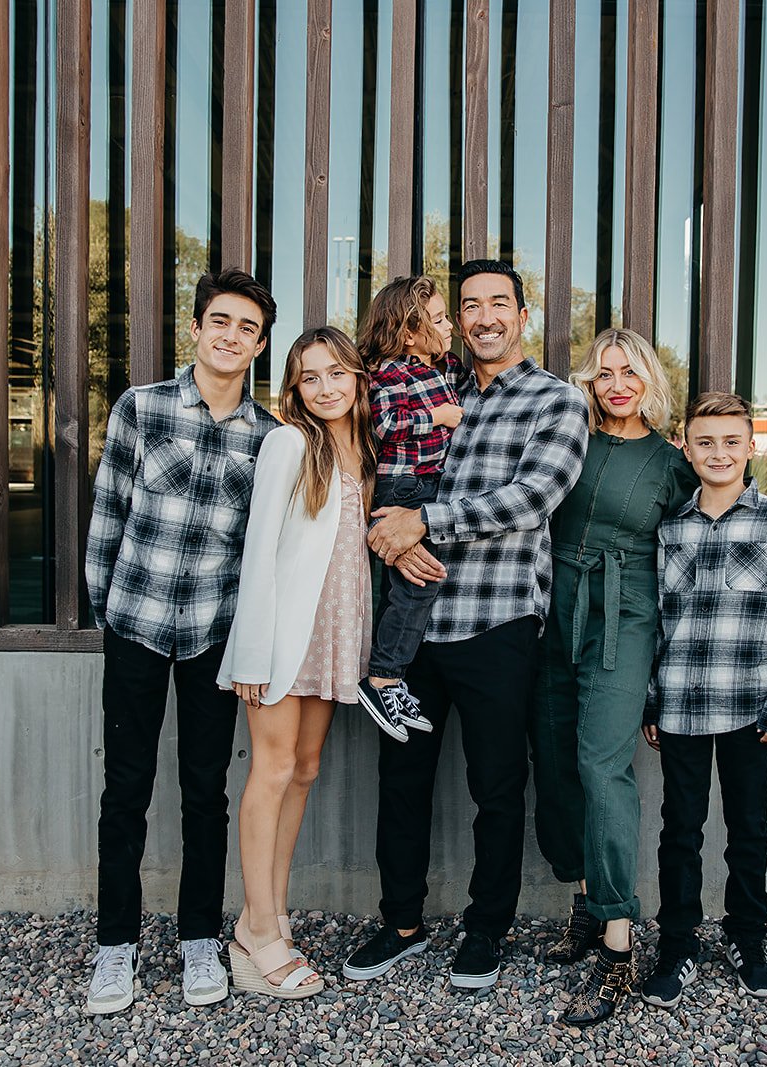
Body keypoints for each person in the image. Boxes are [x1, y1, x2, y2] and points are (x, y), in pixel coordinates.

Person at [341, 259, 589, 991]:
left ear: (522, 313)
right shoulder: (434, 385)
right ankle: (402, 921)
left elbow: (530, 497)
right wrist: (392, 529)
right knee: (401, 779)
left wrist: (423, 523)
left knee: (497, 785)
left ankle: (486, 929)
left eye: (497, 303)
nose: (482, 317)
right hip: (412, 629)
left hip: (496, 621)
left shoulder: (555, 401)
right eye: (469, 305)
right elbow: (373, 472)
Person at [83, 269, 280, 1015]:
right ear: (195, 328)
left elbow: (259, 550)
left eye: (248, 329)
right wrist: (107, 610)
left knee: (207, 791)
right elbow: (109, 510)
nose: (232, 336)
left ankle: (199, 937)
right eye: (220, 321)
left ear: (260, 346)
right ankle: (114, 948)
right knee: (125, 790)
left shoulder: (269, 437)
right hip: (136, 623)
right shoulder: (144, 407)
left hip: (212, 637)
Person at [530, 328, 696, 1027]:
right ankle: (585, 898)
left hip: (624, 618)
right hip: (552, 607)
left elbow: (690, 568)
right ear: (589, 382)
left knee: (603, 767)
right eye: (604, 373)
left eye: (629, 372)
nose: (617, 384)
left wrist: (666, 681)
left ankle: (618, 945)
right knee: (555, 763)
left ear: (648, 381)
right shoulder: (566, 438)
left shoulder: (669, 463)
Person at [214, 326, 379, 999]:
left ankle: (269, 912)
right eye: (311, 377)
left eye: (337, 373)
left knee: (304, 770)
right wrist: (251, 649)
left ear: (356, 378)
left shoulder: (363, 451)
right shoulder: (288, 443)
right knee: (273, 768)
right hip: (282, 638)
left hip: (333, 634)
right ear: (295, 387)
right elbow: (258, 553)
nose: (326, 387)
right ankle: (257, 935)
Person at [638, 391, 767, 1009]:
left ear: (750, 446)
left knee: (748, 828)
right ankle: (678, 944)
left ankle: (747, 937)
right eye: (705, 442)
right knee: (679, 829)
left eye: (731, 441)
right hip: (683, 703)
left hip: (749, 707)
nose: (718, 453)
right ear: (686, 447)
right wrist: (652, 701)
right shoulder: (672, 527)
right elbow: (659, 621)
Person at [354, 276, 464, 740]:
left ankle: (392, 677)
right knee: (415, 588)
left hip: (428, 486)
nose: (450, 326)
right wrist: (436, 417)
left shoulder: (442, 366)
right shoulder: (390, 372)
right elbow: (383, 424)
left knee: (422, 581)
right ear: (406, 333)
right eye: (438, 320)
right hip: (404, 486)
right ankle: (382, 678)